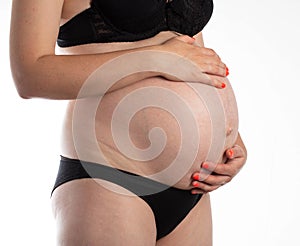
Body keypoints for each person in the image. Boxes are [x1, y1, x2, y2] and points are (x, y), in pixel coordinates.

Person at [10, 0, 247, 245]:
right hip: (109, 177)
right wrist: (154, 59)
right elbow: (30, 75)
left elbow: (191, 54)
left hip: (193, 192)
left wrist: (227, 138)